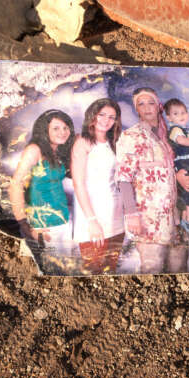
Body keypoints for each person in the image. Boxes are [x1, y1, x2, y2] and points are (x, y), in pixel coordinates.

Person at [115, 87, 186, 273]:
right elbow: (123, 177)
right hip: (148, 218)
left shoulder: (165, 136)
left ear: (159, 106)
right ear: (136, 109)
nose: (146, 108)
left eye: (151, 102)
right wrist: (131, 214)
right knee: (152, 268)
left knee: (178, 269)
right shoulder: (131, 135)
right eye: (141, 104)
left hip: (172, 217)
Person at [8, 110, 75, 265]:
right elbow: (15, 184)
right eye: (56, 128)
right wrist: (23, 223)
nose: (63, 132)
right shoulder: (34, 150)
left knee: (66, 270)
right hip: (42, 225)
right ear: (45, 129)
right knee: (49, 269)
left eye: (66, 127)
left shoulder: (57, 152)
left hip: (62, 220)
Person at [70, 98, 126, 274]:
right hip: (93, 215)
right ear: (92, 115)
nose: (106, 120)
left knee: (111, 267)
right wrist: (92, 221)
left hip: (116, 214)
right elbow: (78, 184)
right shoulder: (83, 142)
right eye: (102, 114)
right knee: (94, 268)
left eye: (112, 117)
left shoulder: (114, 143)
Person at [164, 98, 189, 234]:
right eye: (176, 114)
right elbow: (180, 140)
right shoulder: (175, 130)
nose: (181, 116)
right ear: (169, 117)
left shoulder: (187, 129)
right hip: (184, 163)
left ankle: (186, 220)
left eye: (183, 112)